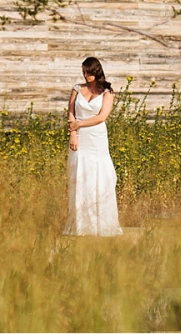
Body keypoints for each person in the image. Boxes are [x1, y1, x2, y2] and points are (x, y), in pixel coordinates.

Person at [64, 56, 123, 236]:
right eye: (83, 72)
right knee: (79, 175)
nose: (85, 75)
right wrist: (73, 134)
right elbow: (71, 113)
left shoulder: (107, 92)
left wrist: (79, 124)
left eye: (88, 72)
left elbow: (102, 116)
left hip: (96, 138)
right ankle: (80, 224)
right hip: (79, 138)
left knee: (100, 176)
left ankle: (101, 224)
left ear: (96, 71)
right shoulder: (77, 89)